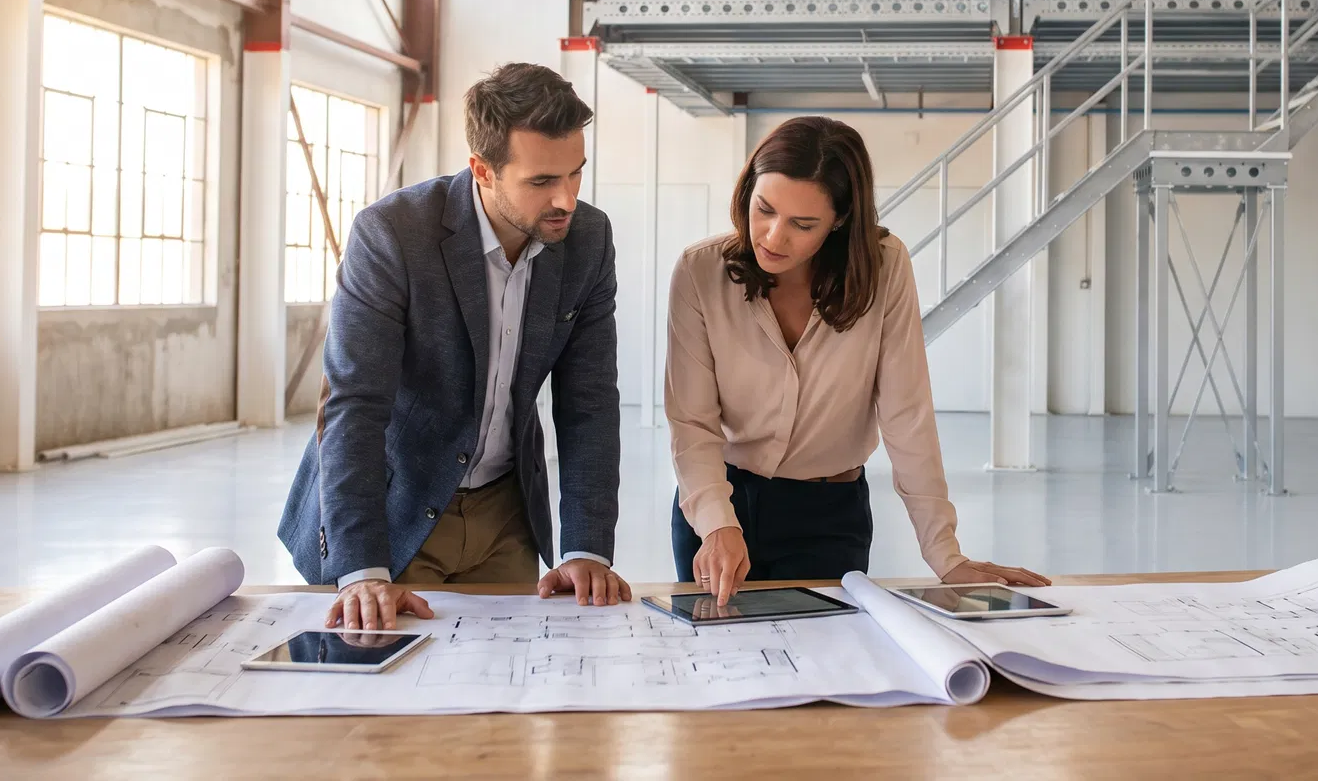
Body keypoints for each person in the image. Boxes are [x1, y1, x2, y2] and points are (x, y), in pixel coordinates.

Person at [278, 63, 628, 630]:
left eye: (576, 174)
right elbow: (353, 404)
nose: (566, 198)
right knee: (389, 706)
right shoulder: (392, 234)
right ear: (482, 170)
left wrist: (586, 546)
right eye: (541, 182)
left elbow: (589, 401)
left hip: (506, 517)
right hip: (394, 508)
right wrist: (362, 566)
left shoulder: (588, 240)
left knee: (502, 700)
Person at [665, 116, 1050, 604]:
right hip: (718, 503)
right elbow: (691, 421)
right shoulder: (701, 271)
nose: (773, 237)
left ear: (841, 219)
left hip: (827, 514)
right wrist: (717, 523)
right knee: (721, 665)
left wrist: (946, 556)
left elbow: (906, 415)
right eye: (763, 209)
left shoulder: (885, 268)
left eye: (803, 225)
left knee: (826, 667)